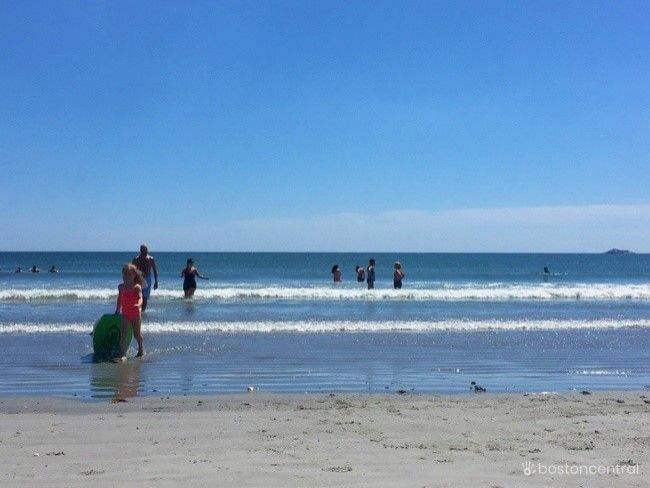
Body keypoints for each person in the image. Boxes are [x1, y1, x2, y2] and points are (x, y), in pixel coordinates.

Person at [114, 263, 145, 359]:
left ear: (134, 275)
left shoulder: (137, 287)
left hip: (135, 314)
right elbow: (119, 299)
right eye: (125, 274)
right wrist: (117, 310)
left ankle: (140, 348)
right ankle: (123, 354)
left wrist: (139, 305)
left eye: (129, 274)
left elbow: (141, 298)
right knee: (123, 333)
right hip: (125, 314)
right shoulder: (121, 287)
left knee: (137, 335)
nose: (127, 277)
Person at [132, 244, 158, 312]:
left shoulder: (150, 259)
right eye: (143, 249)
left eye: (145, 249)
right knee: (137, 294)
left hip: (147, 278)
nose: (145, 251)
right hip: (138, 278)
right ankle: (137, 310)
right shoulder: (136, 259)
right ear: (140, 250)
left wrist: (156, 282)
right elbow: (132, 270)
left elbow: (155, 270)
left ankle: (142, 311)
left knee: (145, 297)